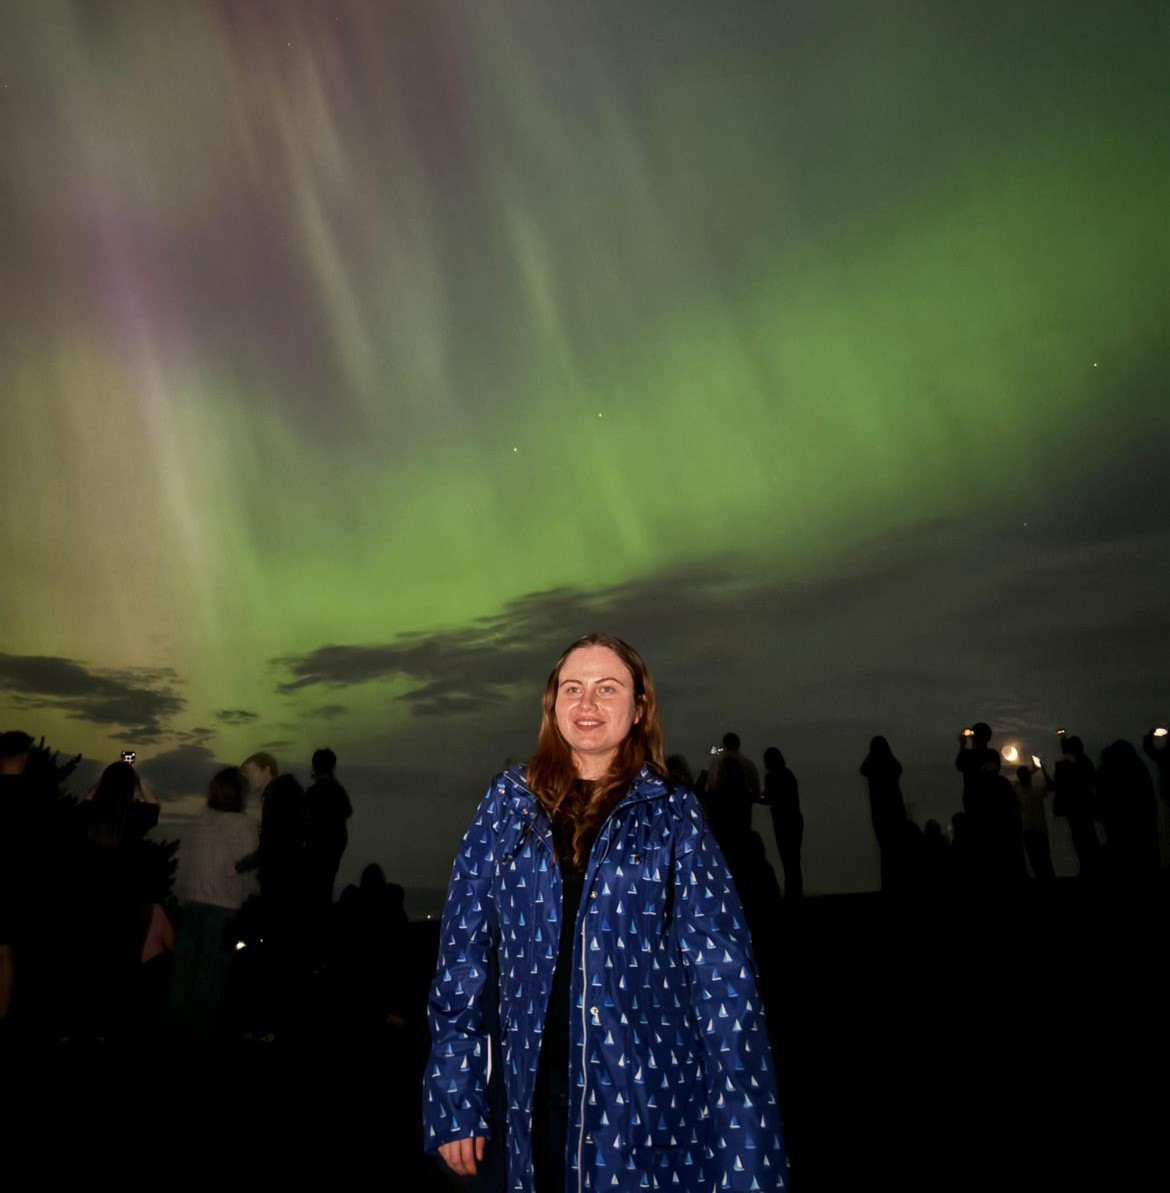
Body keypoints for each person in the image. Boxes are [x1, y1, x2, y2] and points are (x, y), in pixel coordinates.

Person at [423, 634, 789, 1192]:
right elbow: (461, 957)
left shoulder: (675, 817)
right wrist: (455, 1095)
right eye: (573, 688)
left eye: (607, 688)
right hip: (531, 1104)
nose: (587, 703)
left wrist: (750, 1154)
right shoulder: (507, 805)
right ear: (552, 706)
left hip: (646, 1107)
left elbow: (726, 988)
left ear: (640, 707)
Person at [168, 767, 259, 1036]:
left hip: (192, 903)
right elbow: (247, 870)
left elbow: (182, 863)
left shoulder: (199, 821)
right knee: (210, 979)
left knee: (181, 976)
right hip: (224, 908)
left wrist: (182, 895)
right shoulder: (244, 826)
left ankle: (171, 1032)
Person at [303, 747, 353, 908]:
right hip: (334, 847)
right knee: (325, 887)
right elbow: (347, 811)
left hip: (316, 849)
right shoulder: (338, 791)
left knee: (315, 891)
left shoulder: (312, 793)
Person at [705, 730, 761, 850]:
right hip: (742, 814)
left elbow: (711, 786)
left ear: (724, 744)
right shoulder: (748, 764)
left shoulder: (715, 764)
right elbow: (756, 791)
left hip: (720, 814)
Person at [762, 746, 804, 899]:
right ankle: (796, 891)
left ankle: (790, 892)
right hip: (795, 818)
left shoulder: (771, 777)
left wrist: (752, 797)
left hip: (781, 821)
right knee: (794, 858)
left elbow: (768, 799)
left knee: (786, 857)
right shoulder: (788, 774)